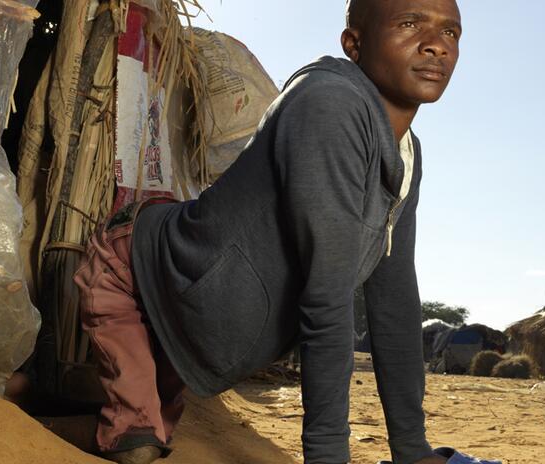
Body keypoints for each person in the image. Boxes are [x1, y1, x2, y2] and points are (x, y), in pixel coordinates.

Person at [73, 1, 466, 463]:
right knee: (137, 446)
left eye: (452, 33)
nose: (436, 45)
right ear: (353, 45)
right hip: (131, 271)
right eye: (409, 24)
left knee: (148, 400)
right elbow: (326, 298)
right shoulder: (328, 104)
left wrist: (412, 450)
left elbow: (394, 298)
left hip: (200, 307)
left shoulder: (405, 154)